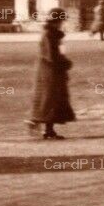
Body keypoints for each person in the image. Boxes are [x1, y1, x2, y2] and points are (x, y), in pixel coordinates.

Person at [29, 8, 75, 140]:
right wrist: (64, 63)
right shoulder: (48, 35)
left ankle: (48, 130)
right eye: (60, 21)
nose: (61, 24)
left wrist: (64, 63)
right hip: (49, 72)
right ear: (55, 21)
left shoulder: (54, 34)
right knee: (49, 99)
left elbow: (59, 53)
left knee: (53, 100)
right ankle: (35, 122)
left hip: (54, 71)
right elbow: (51, 56)